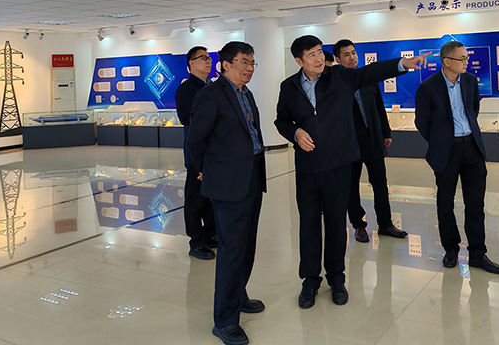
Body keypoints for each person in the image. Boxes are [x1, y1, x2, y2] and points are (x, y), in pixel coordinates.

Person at [275, 35, 428, 309]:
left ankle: (336, 278)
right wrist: (295, 133)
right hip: (308, 167)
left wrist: (402, 64)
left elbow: (370, 73)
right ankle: (310, 280)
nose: (318, 58)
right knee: (309, 224)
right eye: (311, 55)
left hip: (338, 163)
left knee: (336, 223)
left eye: (320, 52)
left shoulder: (340, 77)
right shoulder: (289, 87)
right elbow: (282, 120)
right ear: (299, 61)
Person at [187, 41, 266, 345]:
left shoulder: (246, 93)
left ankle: (238, 294)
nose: (249, 68)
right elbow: (195, 140)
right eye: (244, 62)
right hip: (227, 183)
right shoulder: (211, 94)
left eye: (252, 62)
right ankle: (224, 320)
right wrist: (205, 169)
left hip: (251, 177)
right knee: (232, 250)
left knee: (246, 245)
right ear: (226, 65)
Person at [414, 40, 499, 274]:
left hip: (472, 148)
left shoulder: (470, 81)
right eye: (461, 58)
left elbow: (473, 110)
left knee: (476, 204)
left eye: (466, 58)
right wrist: (440, 141)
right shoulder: (428, 87)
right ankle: (451, 249)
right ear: (446, 61)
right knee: (445, 203)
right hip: (447, 151)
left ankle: (478, 254)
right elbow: (422, 122)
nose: (466, 62)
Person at [332, 39, 407, 242]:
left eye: (353, 53)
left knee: (380, 184)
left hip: (373, 140)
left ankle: (386, 223)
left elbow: (378, 106)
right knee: (351, 187)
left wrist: (386, 132)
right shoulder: (336, 83)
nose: (352, 57)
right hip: (349, 144)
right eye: (346, 55)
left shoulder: (368, 78)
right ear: (338, 59)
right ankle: (358, 225)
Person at [174, 46, 217, 260]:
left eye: (209, 58)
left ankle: (211, 234)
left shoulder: (213, 87)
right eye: (202, 58)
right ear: (191, 63)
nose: (208, 61)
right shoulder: (186, 90)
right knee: (195, 199)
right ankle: (196, 241)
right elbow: (186, 118)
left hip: (214, 152)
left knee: (210, 197)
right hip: (196, 154)